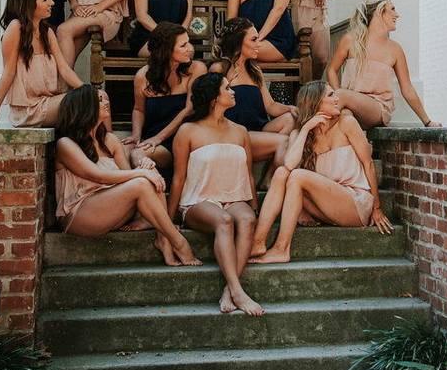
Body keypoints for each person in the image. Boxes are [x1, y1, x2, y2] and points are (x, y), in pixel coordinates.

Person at [54, 85, 201, 267]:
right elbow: (97, 175)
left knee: (149, 176)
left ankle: (163, 239)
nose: (106, 102)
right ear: (84, 107)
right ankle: (179, 242)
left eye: (106, 99)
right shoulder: (66, 144)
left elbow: (125, 176)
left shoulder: (109, 140)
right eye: (99, 100)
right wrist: (141, 172)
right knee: (142, 181)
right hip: (80, 214)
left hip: (111, 209)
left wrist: (146, 166)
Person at [250, 81, 393, 265]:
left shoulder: (347, 123)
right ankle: (258, 242)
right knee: (281, 174)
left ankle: (281, 249)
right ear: (315, 102)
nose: (337, 99)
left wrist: (377, 208)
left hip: (354, 203)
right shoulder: (301, 133)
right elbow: (289, 164)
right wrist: (306, 129)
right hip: (326, 204)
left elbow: (369, 165)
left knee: (297, 176)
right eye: (331, 95)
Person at [170, 73, 263, 315]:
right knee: (224, 220)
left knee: (246, 219)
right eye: (227, 88)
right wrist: (169, 220)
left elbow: (249, 174)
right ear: (214, 97)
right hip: (198, 200)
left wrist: (254, 205)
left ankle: (229, 290)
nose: (233, 92)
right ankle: (238, 290)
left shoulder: (240, 131)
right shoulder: (188, 131)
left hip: (233, 197)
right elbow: (178, 177)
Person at [0, 0, 84, 128]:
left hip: (49, 101)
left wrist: (86, 90)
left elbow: (64, 69)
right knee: (85, 101)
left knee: (100, 97)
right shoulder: (16, 28)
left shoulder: (46, 32)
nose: (52, 3)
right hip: (28, 110)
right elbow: (8, 73)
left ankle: (106, 146)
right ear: (28, 4)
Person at [327, 0, 441, 128]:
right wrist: (340, 96)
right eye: (392, 9)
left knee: (339, 100)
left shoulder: (395, 49)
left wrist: (427, 121)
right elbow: (331, 70)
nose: (397, 15)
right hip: (350, 103)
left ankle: (309, 140)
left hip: (377, 108)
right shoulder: (350, 40)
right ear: (379, 12)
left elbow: (407, 88)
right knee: (345, 116)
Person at [209, 17, 295, 184]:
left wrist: (292, 108)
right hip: (235, 134)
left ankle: (266, 175)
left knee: (291, 119)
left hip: (258, 130)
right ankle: (271, 181)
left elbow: (270, 106)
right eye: (254, 39)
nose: (259, 44)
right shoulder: (220, 69)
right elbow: (210, 105)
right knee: (285, 142)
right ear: (239, 42)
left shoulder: (254, 69)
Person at [123, 22, 206, 172]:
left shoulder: (196, 69)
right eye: (183, 45)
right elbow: (138, 109)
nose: (190, 49)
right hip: (152, 137)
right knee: (124, 152)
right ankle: (153, 185)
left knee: (138, 154)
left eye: (189, 43)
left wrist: (159, 138)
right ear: (166, 50)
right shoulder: (143, 76)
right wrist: (136, 135)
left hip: (180, 139)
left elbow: (189, 109)